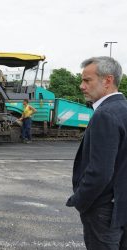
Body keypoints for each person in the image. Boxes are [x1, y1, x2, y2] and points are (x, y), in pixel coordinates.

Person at [66, 57, 127, 250]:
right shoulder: (123, 109)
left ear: (107, 81)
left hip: (103, 210)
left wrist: (80, 200)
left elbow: (100, 172)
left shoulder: (105, 114)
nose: (81, 86)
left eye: (87, 80)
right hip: (121, 206)